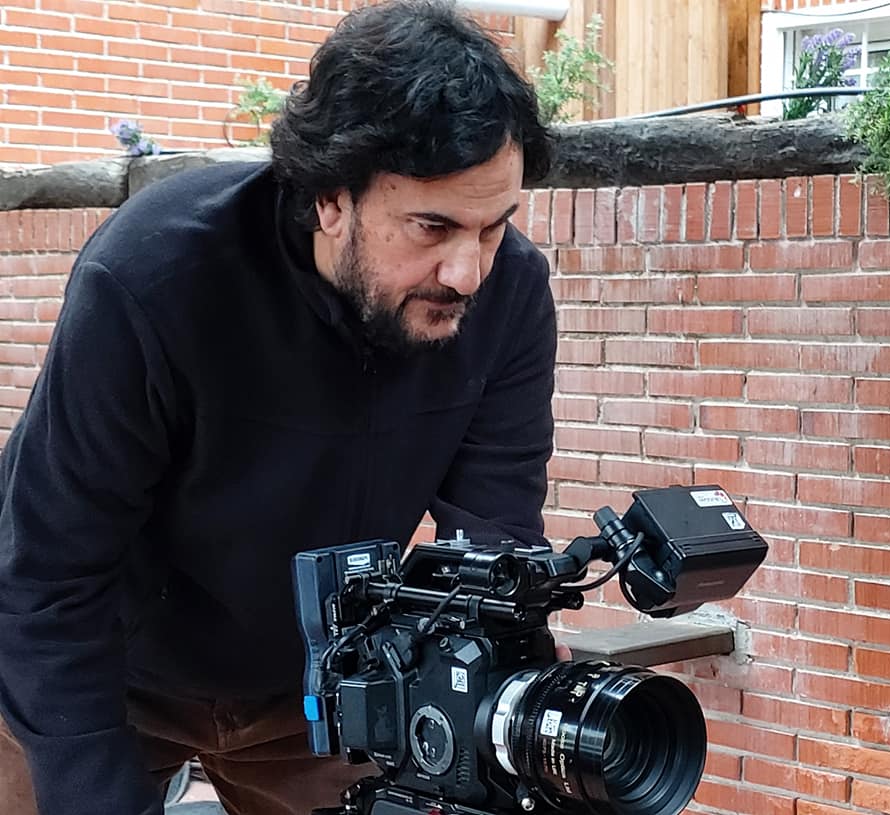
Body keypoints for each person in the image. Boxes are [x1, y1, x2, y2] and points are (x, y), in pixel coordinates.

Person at [0, 2, 557, 813]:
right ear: (330, 197)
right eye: (431, 226)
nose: (467, 271)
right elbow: (50, 574)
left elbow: (495, 546)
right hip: (98, 668)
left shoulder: (509, 296)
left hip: (323, 687)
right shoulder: (154, 277)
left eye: (493, 227)